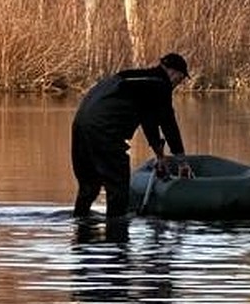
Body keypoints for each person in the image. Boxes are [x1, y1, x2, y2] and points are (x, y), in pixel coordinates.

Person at [71, 52, 192, 226]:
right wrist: (182, 161)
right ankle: (117, 237)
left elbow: (149, 122)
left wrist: (160, 156)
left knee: (89, 187)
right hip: (105, 130)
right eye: (180, 79)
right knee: (118, 189)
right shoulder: (160, 84)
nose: (177, 84)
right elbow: (168, 124)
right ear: (173, 72)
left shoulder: (137, 80)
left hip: (80, 126)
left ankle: (81, 229)